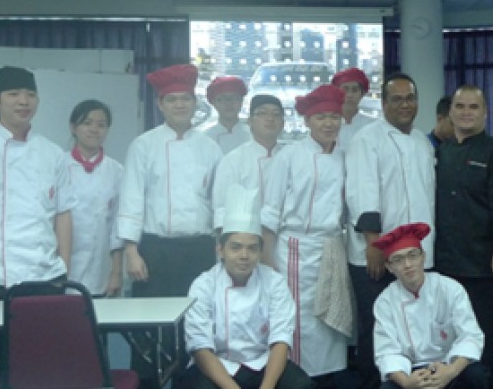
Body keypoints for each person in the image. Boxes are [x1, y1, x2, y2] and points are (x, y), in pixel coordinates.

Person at [0, 66, 77, 388]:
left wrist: (63, 271)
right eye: (14, 94)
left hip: (44, 280)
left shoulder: (53, 154)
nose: (23, 102)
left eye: (29, 95)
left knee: (44, 373)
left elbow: (63, 214)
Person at [118, 64, 222, 387]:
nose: (180, 105)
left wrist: (219, 249)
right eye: (172, 99)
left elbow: (219, 203)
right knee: (150, 329)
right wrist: (131, 252)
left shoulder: (210, 148)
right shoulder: (143, 145)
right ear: (161, 105)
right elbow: (132, 198)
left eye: (186, 99)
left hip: (199, 251)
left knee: (196, 326)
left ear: (195, 104)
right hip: (155, 251)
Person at [345, 73, 436, 389]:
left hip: (415, 255)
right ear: (383, 104)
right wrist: (374, 245)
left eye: (410, 98)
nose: (404, 105)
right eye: (396, 99)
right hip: (379, 254)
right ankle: (372, 384)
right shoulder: (367, 139)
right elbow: (361, 192)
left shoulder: (423, 142)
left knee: (411, 324)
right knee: (377, 326)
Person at [179, 184, 315, 389]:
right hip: (218, 364)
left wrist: (267, 387)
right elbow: (200, 347)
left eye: (252, 248)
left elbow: (281, 340)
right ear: (220, 250)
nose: (244, 256)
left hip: (262, 363)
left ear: (261, 252)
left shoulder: (274, 283)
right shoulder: (203, 285)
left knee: (301, 385)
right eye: (236, 247)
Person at [261, 84, 352, 387]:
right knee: (296, 318)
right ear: (307, 122)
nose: (329, 124)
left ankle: (326, 379)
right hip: (294, 248)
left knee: (329, 319)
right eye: (321, 117)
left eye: (334, 117)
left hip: (331, 244)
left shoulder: (344, 156)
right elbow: (270, 211)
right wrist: (268, 258)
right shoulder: (290, 156)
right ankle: (295, 379)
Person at [435, 84, 493, 385]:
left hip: (482, 262)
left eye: (474, 107)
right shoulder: (441, 152)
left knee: (477, 331)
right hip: (444, 262)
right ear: (451, 113)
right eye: (460, 107)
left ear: (485, 112)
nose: (466, 112)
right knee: (446, 333)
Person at [373, 223, 488, 389]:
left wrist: (450, 371)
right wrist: (407, 383)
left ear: (423, 257)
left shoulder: (450, 288)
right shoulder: (385, 302)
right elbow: (386, 352)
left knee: (475, 375)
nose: (407, 264)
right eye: (398, 259)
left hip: (448, 363)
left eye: (413, 255)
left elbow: (471, 336)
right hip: (410, 371)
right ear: (390, 267)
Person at [66, 99, 124, 297]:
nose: (94, 130)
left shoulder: (116, 171)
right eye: (87, 123)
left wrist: (116, 273)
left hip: (101, 268)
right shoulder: (58, 166)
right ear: (73, 127)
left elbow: (117, 225)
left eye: (101, 125)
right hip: (62, 268)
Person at [212, 94, 285, 231]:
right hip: (244, 236)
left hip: (285, 239)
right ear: (250, 121)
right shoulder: (233, 160)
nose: (270, 119)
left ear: (283, 123)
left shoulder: (289, 158)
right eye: (262, 113)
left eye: (276, 115)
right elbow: (222, 208)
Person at [204, 76, 251, 154]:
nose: (229, 103)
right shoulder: (205, 138)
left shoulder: (253, 136)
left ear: (241, 101)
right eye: (222, 99)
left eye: (234, 98)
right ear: (213, 103)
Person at [333, 67, 376, 151]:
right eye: (345, 89)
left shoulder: (372, 125)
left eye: (355, 90)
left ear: (362, 93)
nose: (349, 95)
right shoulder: (326, 125)